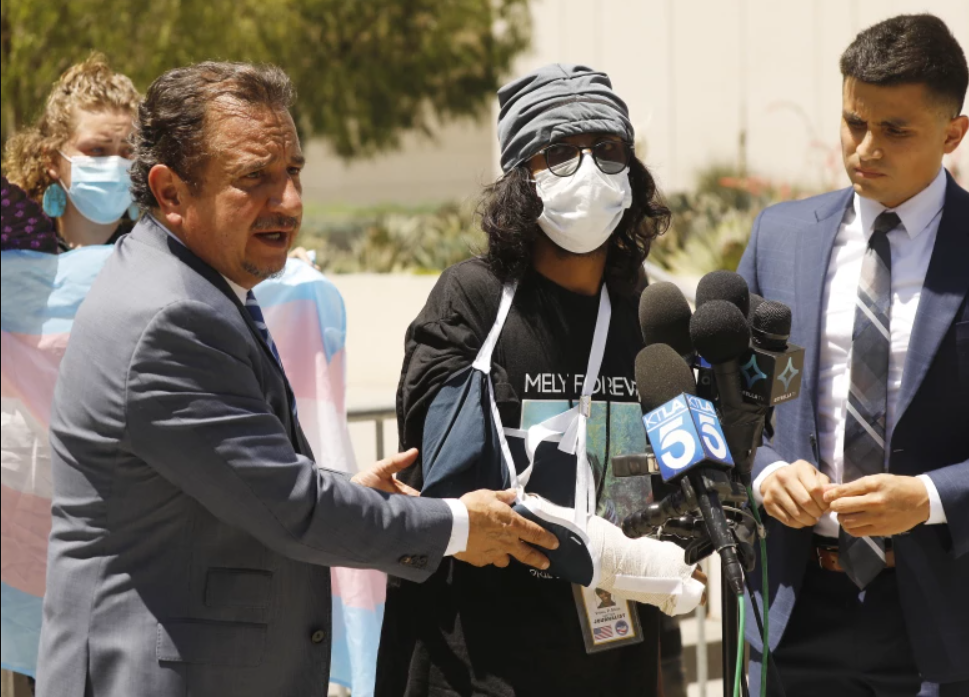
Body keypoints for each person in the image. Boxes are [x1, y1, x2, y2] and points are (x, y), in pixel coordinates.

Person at [36, 61, 560, 697]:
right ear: (171, 193)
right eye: (254, 178)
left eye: (292, 173)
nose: (287, 201)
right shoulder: (171, 316)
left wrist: (351, 491)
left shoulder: (195, 281)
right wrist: (458, 526)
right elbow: (292, 510)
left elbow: (240, 478)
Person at [739, 14, 969, 697]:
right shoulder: (778, 237)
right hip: (792, 611)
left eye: (895, 130)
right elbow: (723, 404)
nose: (864, 149)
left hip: (950, 627)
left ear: (953, 133)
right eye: (853, 123)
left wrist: (930, 497)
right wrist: (764, 474)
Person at [377, 64, 706, 697]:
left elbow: (684, 490)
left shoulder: (652, 314)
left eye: (607, 149)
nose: (589, 169)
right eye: (558, 153)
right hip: (479, 659)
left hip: (615, 659)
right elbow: (444, 482)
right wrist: (609, 552)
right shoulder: (472, 300)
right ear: (519, 179)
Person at [2, 54, 139, 251]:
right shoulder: (16, 260)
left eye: (128, 151)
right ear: (52, 160)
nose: (115, 163)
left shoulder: (161, 261)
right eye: (97, 149)